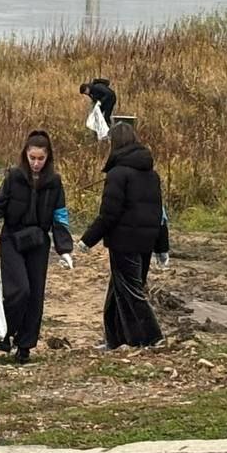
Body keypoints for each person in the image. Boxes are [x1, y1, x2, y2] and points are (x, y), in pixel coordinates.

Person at [0, 131, 75, 364]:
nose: (36, 163)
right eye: (32, 158)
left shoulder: (54, 182)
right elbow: (0, 204)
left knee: (35, 295)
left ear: (48, 158)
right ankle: (5, 332)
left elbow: (60, 216)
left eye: (41, 159)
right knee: (18, 290)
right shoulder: (14, 177)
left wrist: (64, 249)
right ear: (25, 156)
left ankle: (25, 346)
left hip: (38, 241)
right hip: (12, 238)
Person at [79, 123, 170, 349]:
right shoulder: (152, 175)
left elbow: (109, 214)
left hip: (124, 242)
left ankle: (153, 337)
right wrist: (162, 247)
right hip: (146, 242)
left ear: (114, 144)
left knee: (131, 291)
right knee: (117, 290)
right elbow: (160, 214)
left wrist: (87, 240)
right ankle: (115, 339)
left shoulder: (117, 174)